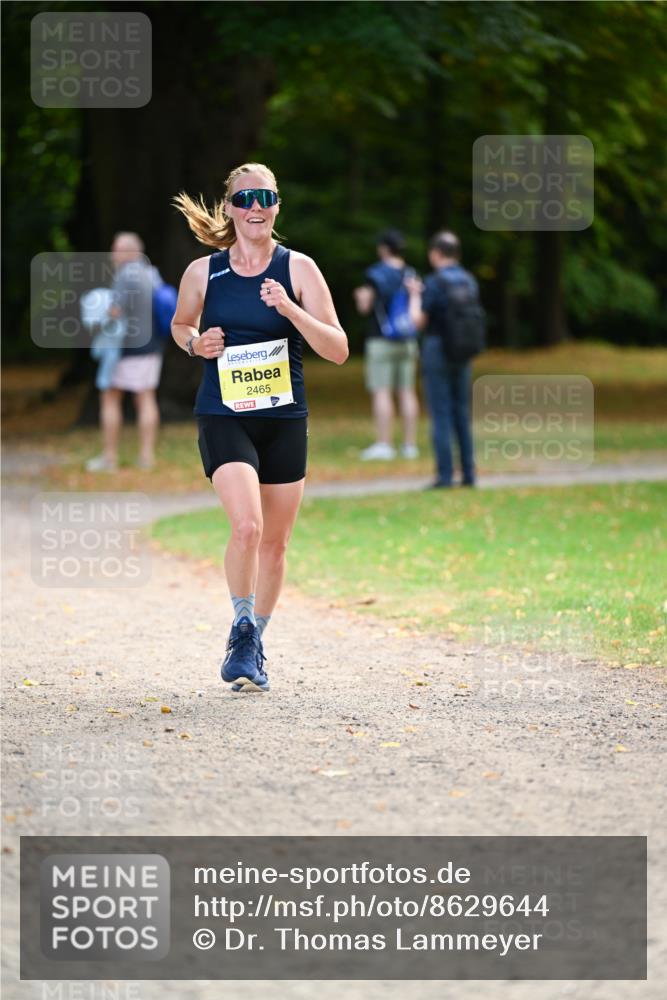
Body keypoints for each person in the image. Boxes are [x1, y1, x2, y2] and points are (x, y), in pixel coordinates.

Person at [171, 162, 348, 692]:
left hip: (284, 418)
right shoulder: (203, 272)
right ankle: (242, 627)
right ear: (229, 207)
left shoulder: (300, 269)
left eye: (265, 198)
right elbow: (181, 324)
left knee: (275, 544)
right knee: (247, 527)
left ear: (276, 207)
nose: (255, 207)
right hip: (224, 413)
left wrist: (290, 310)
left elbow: (338, 349)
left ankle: (252, 644)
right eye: (245, 198)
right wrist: (195, 343)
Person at [85, 232, 165, 472]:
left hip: (127, 348)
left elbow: (115, 311)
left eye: (117, 249)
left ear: (131, 251)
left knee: (110, 397)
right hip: (152, 346)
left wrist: (96, 317)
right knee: (146, 398)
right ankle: (147, 457)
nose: (112, 254)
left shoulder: (126, 275)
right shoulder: (151, 274)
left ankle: (109, 458)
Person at [411, 231, 478, 488]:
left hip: (437, 348)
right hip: (463, 350)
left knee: (440, 413)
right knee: (461, 411)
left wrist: (415, 295)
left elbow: (418, 321)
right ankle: (469, 473)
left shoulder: (435, 281)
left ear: (436, 253)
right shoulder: (469, 280)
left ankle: (445, 475)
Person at [353, 229, 420, 460]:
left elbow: (365, 307)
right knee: (407, 391)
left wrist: (360, 297)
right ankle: (410, 446)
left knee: (382, 391)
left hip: (381, 339)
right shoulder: (410, 272)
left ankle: (385, 444)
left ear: (383, 248)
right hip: (408, 340)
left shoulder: (375, 273)